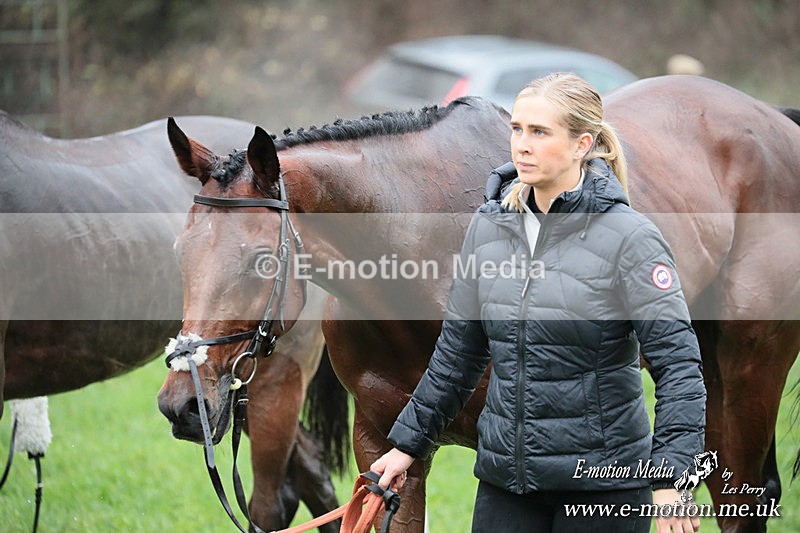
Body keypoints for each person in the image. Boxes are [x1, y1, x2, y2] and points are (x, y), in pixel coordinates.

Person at [371, 72, 707, 533]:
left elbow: (679, 366)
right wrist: (408, 445)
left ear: (581, 144)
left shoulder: (630, 238)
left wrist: (672, 478)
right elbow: (457, 356)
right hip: (508, 484)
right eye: (517, 129)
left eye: (540, 132)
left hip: (603, 489)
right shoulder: (488, 228)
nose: (522, 145)